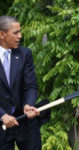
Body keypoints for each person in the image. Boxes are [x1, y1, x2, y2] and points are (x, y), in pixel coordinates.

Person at [0, 15, 41, 150]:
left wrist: (28, 104)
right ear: (2, 34)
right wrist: (2, 115)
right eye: (15, 33)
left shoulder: (25, 54)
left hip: (25, 121)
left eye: (20, 32)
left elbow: (30, 86)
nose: (20, 36)